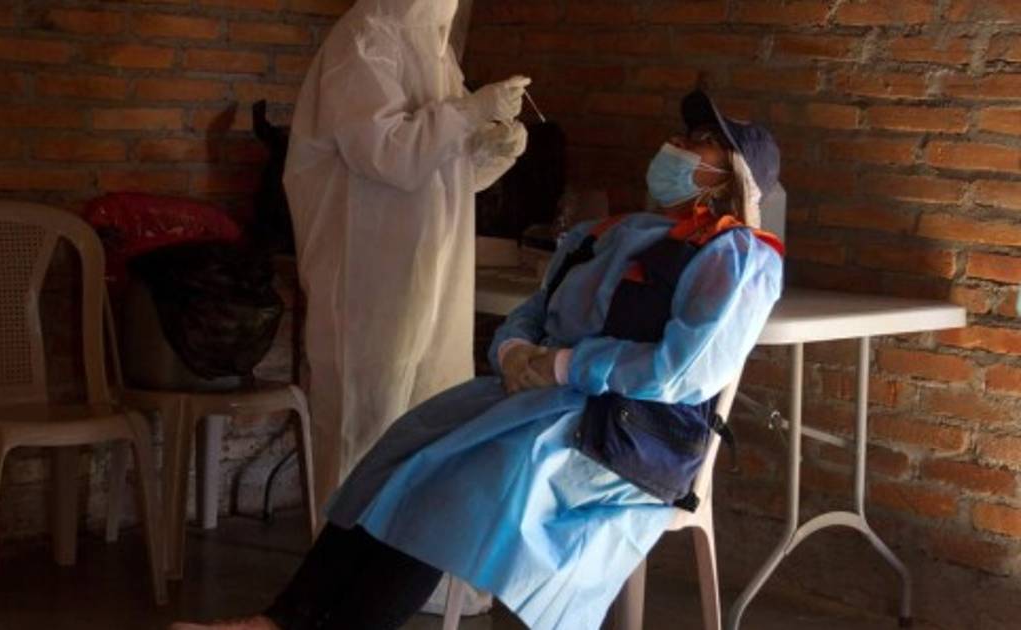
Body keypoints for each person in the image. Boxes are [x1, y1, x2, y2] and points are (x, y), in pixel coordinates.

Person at [173, 89, 785, 630]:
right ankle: (282, 619)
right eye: (682, 134)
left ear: (731, 174)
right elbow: (534, 311)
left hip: (621, 436)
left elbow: (683, 373)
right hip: (540, 401)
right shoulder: (607, 233)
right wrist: (514, 351)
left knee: (444, 489)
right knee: (400, 454)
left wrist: (565, 365)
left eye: (700, 142)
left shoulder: (736, 256)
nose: (677, 145)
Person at [283, 0, 534, 511]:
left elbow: (442, 176)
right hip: (368, 275)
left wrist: (491, 148)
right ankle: (345, 557)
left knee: (428, 418)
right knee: (365, 427)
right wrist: (471, 112)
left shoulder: (434, 50)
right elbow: (390, 154)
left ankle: (402, 559)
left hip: (432, 275)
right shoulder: (365, 42)